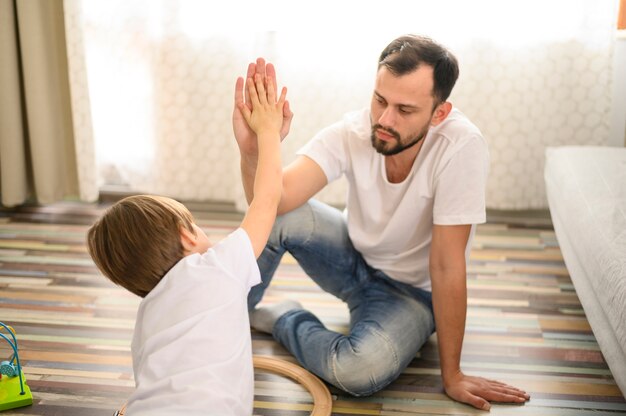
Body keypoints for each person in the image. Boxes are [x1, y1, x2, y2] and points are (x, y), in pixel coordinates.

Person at [232, 35, 530, 411]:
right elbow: (271, 202)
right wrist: (253, 150)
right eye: (380, 100)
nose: (384, 120)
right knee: (280, 216)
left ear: (439, 113)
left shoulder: (461, 147)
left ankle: (281, 317)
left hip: (412, 294)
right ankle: (224, 321)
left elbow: (447, 264)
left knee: (358, 371)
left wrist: (452, 375)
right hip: (352, 258)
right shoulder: (354, 129)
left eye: (405, 110)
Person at [87, 71, 287, 415]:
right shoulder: (216, 268)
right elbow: (267, 199)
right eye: (194, 221)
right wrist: (269, 133)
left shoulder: (145, 319)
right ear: (187, 234)